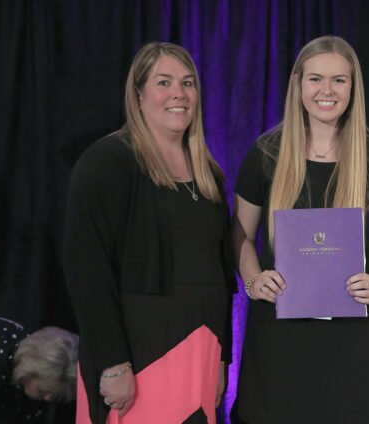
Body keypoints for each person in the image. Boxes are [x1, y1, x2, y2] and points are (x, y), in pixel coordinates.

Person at [233, 35, 369, 423]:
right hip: (279, 338)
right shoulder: (266, 155)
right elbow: (240, 235)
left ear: (353, 88)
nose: (326, 90)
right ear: (298, 84)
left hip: (350, 341)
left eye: (339, 80)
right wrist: (252, 279)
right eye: (315, 79)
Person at [63, 42, 235, 424]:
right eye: (164, 82)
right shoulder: (107, 162)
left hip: (200, 355)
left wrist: (222, 356)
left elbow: (223, 277)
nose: (179, 93)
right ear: (138, 95)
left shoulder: (210, 175)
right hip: (139, 361)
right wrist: (112, 364)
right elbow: (86, 271)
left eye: (188, 83)